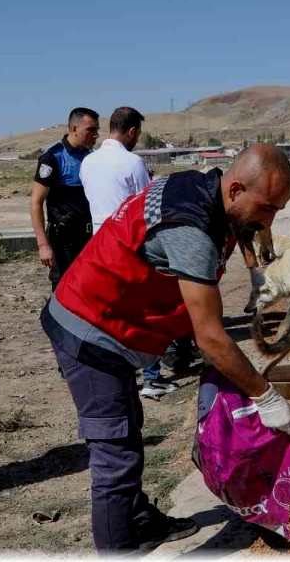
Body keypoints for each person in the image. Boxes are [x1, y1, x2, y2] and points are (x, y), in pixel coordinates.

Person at [41, 143, 290, 554]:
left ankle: (138, 519)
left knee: (128, 428)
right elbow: (210, 337)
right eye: (267, 208)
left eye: (278, 209)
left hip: (113, 324)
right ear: (234, 190)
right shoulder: (192, 230)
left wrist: (252, 268)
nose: (270, 220)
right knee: (115, 456)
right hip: (91, 329)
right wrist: (264, 395)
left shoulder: (202, 189)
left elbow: (235, 229)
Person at [78, 106, 177, 399]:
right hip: (130, 246)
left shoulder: (88, 163)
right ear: (132, 132)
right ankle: (152, 376)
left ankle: (119, 376)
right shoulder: (132, 163)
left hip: (98, 245)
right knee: (144, 312)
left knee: (110, 313)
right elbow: (148, 207)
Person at [31, 107, 101, 289]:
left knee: (89, 287)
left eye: (97, 130)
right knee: (63, 289)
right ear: (74, 128)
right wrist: (43, 245)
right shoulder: (53, 157)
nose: (96, 135)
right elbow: (36, 202)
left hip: (89, 237)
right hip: (64, 240)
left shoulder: (91, 157)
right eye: (91, 130)